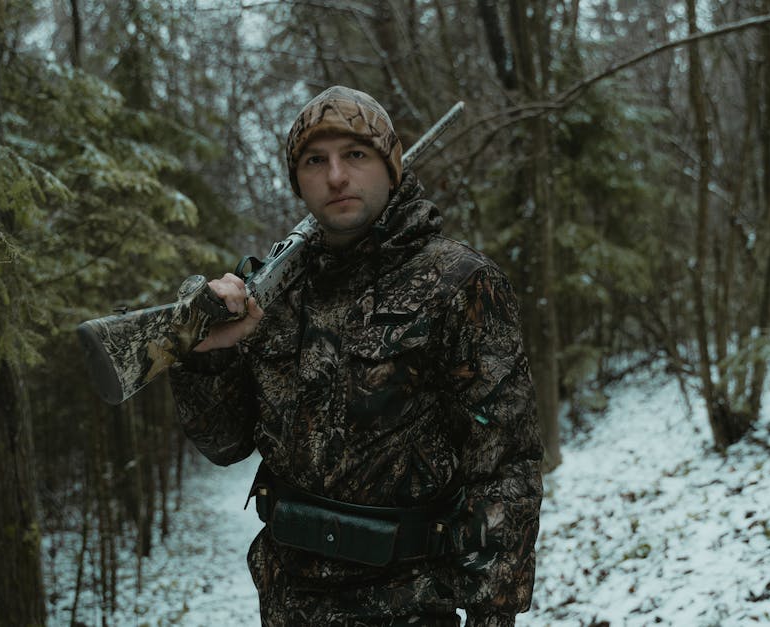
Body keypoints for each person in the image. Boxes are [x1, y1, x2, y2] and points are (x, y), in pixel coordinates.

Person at [168, 85, 543, 627]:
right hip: (287, 602)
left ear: (390, 168)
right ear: (298, 181)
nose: (336, 177)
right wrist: (207, 357)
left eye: (356, 155)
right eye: (315, 161)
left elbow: (505, 464)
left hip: (411, 603)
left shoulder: (459, 283)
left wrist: (492, 614)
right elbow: (226, 445)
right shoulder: (274, 296)